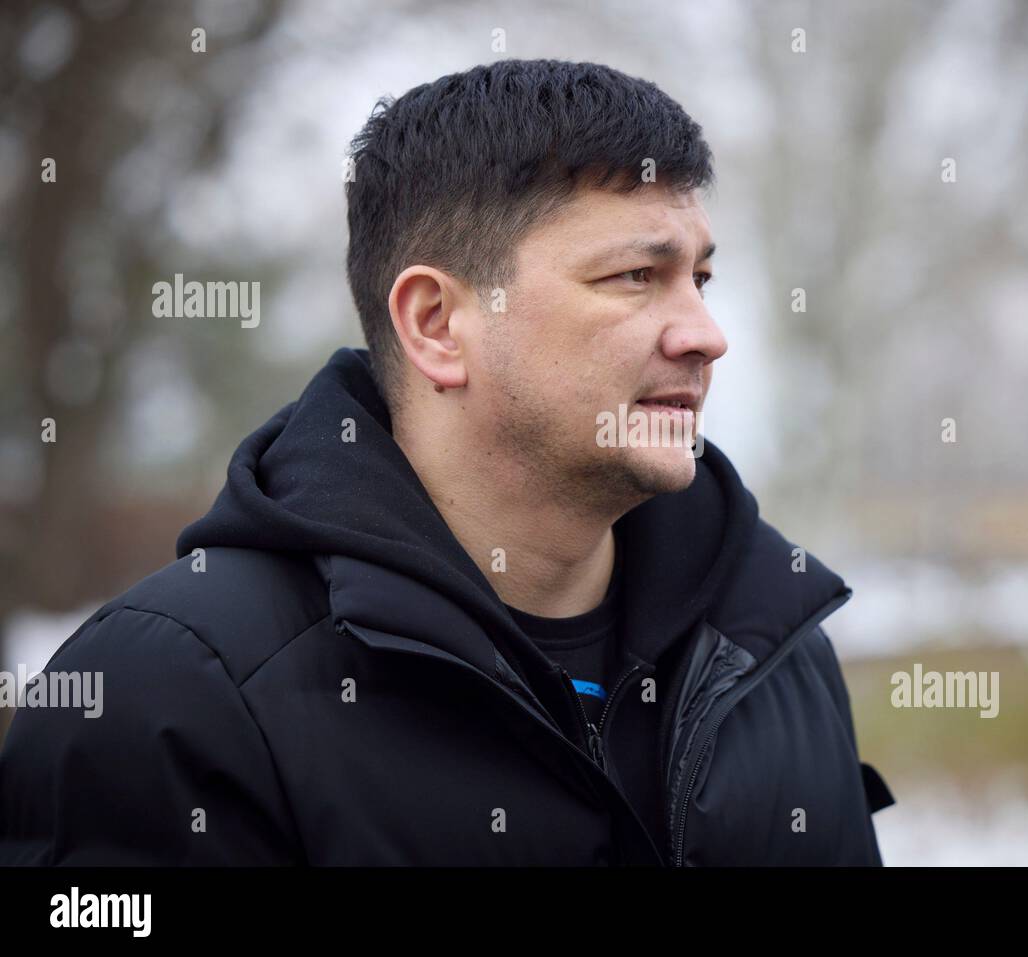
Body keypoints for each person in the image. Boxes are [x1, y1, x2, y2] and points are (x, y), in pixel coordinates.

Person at [0, 58, 892, 866]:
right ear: (436, 324)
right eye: (635, 276)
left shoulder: (770, 656)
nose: (706, 335)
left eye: (701, 278)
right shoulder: (170, 698)